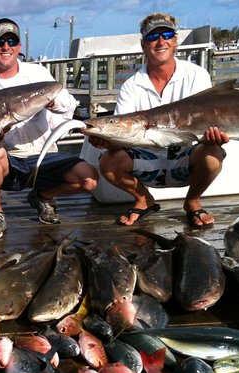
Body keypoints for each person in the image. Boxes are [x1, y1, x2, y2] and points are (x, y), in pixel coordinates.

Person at [92, 12, 229, 228]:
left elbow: (210, 121)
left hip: (185, 155)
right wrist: (106, 139)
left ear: (175, 41)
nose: (160, 41)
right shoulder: (131, 85)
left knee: (214, 154)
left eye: (166, 34)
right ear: (143, 45)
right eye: (152, 37)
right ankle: (143, 199)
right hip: (146, 159)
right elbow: (124, 132)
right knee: (108, 161)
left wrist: (213, 138)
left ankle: (193, 201)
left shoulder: (197, 75)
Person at [0, 18, 99, 240]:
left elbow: (68, 104)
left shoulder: (38, 75)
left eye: (12, 40)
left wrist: (53, 102)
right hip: (11, 160)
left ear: (19, 46)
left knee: (89, 179)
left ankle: (43, 196)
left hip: (45, 154)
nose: (6, 46)